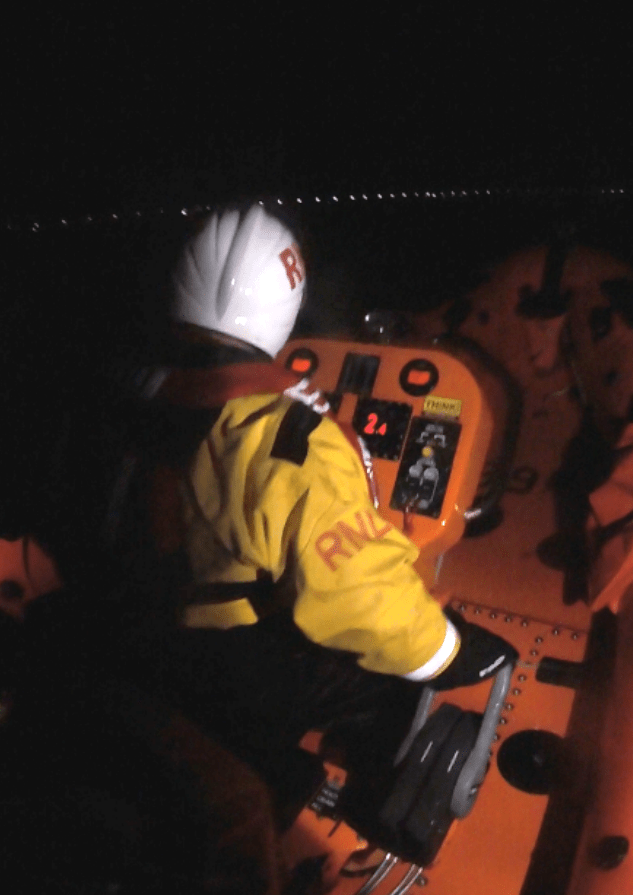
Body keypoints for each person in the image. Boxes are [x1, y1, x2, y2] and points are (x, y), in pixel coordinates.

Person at [101, 203, 517, 791]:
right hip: (224, 669)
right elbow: (358, 597)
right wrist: (451, 651)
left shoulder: (128, 394)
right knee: (384, 679)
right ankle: (357, 786)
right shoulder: (289, 441)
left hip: (131, 626)